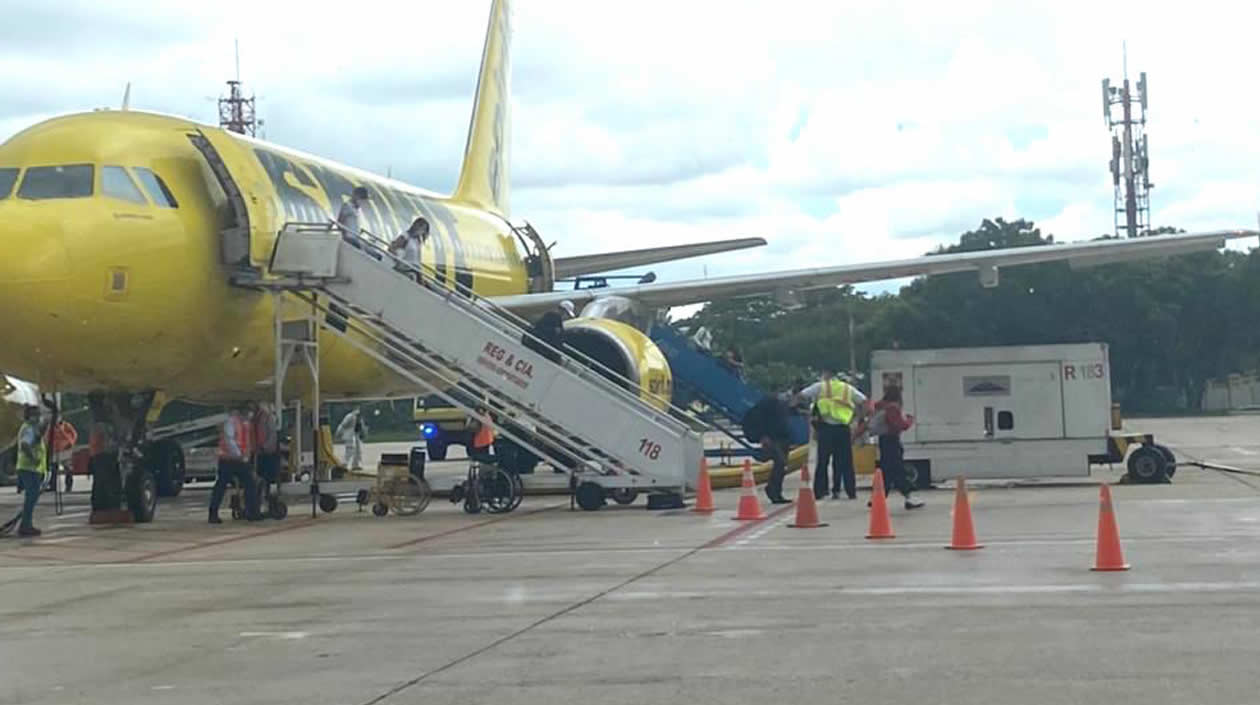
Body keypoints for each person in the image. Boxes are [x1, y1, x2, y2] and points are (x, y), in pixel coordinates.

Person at [796, 366, 867, 500]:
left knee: (823, 461)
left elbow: (801, 396)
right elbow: (864, 401)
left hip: (826, 428)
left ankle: (820, 491)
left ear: (826, 374)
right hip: (843, 429)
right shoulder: (847, 389)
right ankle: (849, 491)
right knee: (845, 462)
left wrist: (807, 412)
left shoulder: (820, 387)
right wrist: (857, 419)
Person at [869, 385, 923, 509]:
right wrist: (909, 421)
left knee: (886, 471)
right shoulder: (892, 407)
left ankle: (877, 498)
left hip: (883, 441)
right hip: (892, 441)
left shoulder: (880, 406)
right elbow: (899, 425)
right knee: (897, 470)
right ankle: (909, 498)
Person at [209, 404, 259, 523]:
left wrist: (246, 456)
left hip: (239, 461)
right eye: (250, 411)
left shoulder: (245, 423)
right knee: (221, 486)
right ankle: (213, 513)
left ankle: (252, 512)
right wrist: (239, 454)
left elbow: (245, 443)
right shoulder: (231, 422)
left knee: (250, 484)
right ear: (244, 411)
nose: (251, 415)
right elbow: (229, 440)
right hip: (229, 460)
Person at [742, 392, 793, 504]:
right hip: (772, 438)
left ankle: (776, 492)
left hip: (782, 437)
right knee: (780, 462)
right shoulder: (769, 403)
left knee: (782, 465)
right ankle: (772, 490)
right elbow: (759, 419)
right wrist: (763, 436)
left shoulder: (782, 405)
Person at [14, 405, 47, 536]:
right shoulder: (28, 428)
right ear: (29, 415)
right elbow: (25, 444)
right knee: (31, 498)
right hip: (29, 467)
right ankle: (25, 525)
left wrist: (45, 426)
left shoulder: (32, 428)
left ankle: (26, 524)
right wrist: (33, 459)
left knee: (31, 498)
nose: (38, 417)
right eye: (36, 414)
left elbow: (38, 438)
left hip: (30, 468)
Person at [251, 401, 281, 510]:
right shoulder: (255, 419)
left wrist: (264, 447)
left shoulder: (267, 418)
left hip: (270, 453)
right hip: (261, 453)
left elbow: (272, 436)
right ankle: (259, 502)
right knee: (260, 479)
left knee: (271, 479)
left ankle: (273, 502)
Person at [390, 216, 430, 283]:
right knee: (415, 276)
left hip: (414, 267)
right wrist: (398, 256)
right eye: (421, 228)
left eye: (423, 230)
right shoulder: (405, 236)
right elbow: (392, 248)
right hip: (405, 267)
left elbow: (417, 259)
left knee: (426, 282)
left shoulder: (417, 241)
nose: (421, 231)